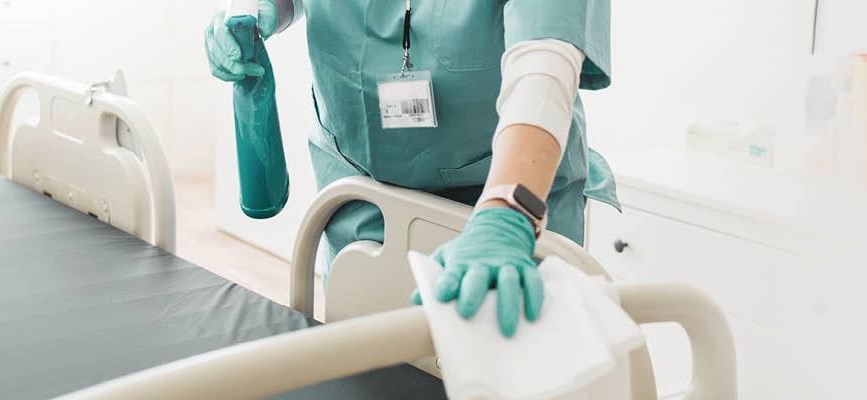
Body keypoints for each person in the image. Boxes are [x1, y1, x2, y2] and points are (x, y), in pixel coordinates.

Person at [205, 0, 619, 337]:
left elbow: (543, 68)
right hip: (362, 199)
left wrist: (506, 215)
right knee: (371, 372)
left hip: (505, 207)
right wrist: (260, 10)